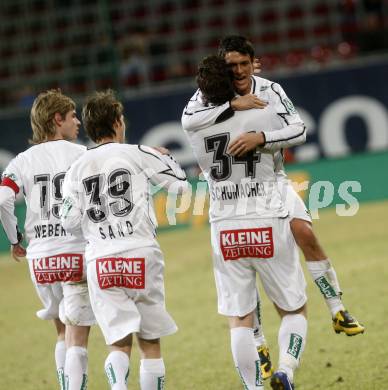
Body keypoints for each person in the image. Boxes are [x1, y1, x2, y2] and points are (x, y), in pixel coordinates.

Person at [182, 36, 364, 340]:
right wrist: (231, 104)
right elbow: (189, 121)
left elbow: (300, 129)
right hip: (237, 196)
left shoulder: (271, 89)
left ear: (255, 63)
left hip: (273, 182)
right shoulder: (207, 95)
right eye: (232, 65)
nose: (239, 71)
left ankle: (337, 308)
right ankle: (258, 340)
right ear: (222, 67)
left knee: (305, 233)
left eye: (244, 64)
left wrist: (263, 137)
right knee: (248, 261)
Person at [186, 54, 309, 390]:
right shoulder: (263, 108)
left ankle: (253, 387)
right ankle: (285, 369)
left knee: (239, 320)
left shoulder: (192, 122)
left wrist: (227, 100)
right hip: (266, 216)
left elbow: (195, 107)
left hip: (224, 225)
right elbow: (297, 131)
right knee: (294, 309)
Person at [60, 90, 188, 390]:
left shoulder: (76, 169)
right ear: (118, 123)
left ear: (91, 128)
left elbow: (69, 220)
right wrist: (160, 160)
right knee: (150, 342)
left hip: (101, 260)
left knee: (118, 343)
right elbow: (181, 189)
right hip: (140, 253)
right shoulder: (138, 153)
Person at [0, 89, 95, 390]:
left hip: (40, 258)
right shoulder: (82, 155)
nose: (77, 122)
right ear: (57, 119)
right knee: (77, 333)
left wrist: (14, 239)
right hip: (76, 251)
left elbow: (3, 200)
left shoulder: (21, 161)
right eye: (71, 116)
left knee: (60, 331)